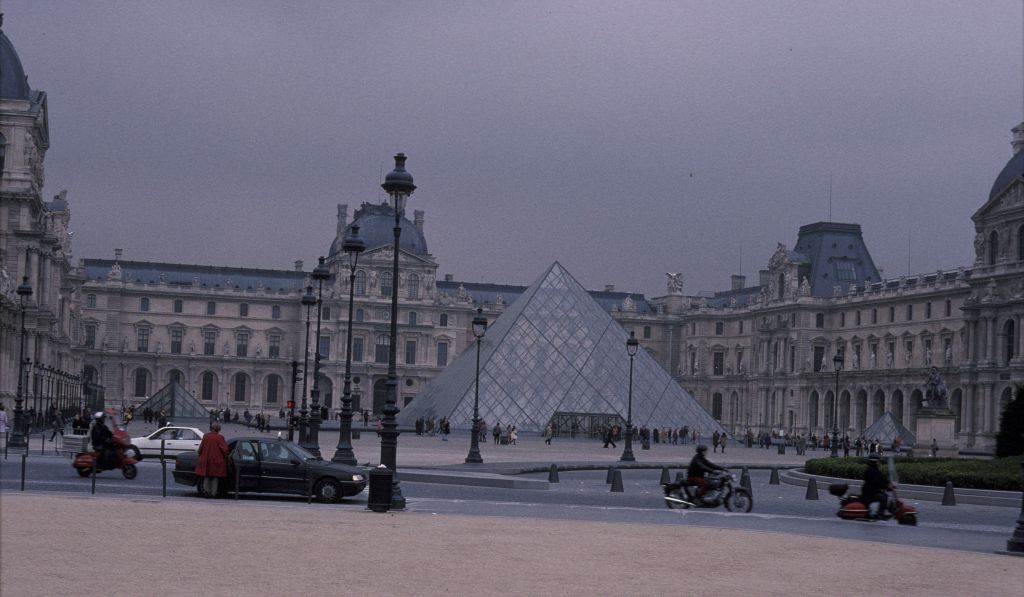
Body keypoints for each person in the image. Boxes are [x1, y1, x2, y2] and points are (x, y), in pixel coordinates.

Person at [195, 421, 229, 498]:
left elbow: (200, 449)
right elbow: (225, 450)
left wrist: (200, 454)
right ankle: (214, 493)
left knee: (206, 476)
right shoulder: (220, 437)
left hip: (206, 460)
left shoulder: (206, 436)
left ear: (211, 428)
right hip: (216, 460)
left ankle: (206, 492)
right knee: (215, 477)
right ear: (218, 429)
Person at [861, 454, 890, 519]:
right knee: (883, 497)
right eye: (878, 461)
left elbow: (881, 478)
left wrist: (888, 483)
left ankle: (881, 512)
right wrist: (886, 486)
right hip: (870, 492)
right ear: (874, 461)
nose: (879, 462)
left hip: (872, 490)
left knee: (884, 495)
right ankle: (880, 514)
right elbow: (877, 482)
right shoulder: (870, 470)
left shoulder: (874, 469)